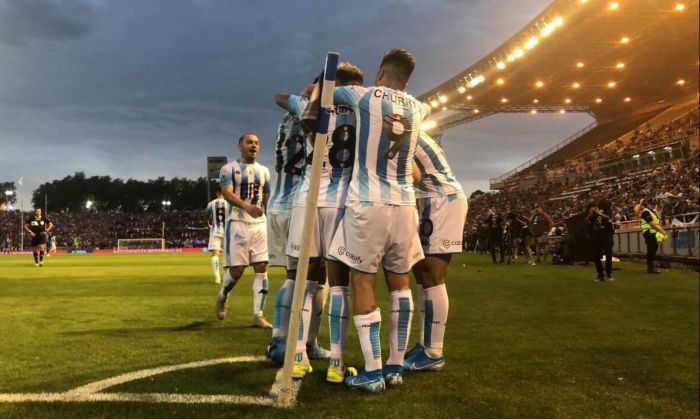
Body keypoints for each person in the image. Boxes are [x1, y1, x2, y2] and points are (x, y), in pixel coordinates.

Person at [318, 48, 431, 392]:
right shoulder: (421, 108)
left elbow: (323, 93)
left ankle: (372, 371)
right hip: (405, 204)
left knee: (362, 282)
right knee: (400, 285)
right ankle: (395, 367)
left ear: (381, 71)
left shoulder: (364, 95)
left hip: (368, 203)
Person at [271, 63, 365, 382]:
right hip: (342, 201)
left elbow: (280, 97)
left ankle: (297, 356)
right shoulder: (365, 110)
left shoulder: (313, 103)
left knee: (305, 283)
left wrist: (312, 94)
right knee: (339, 285)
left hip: (308, 199)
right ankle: (337, 365)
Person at [403, 133, 468, 372]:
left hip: (439, 199)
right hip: (430, 198)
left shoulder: (393, 127)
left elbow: (413, 175)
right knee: (421, 275)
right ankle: (425, 344)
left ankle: (433, 351)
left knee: (431, 275)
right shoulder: (399, 121)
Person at [265, 83, 311, 365]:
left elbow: (278, 95)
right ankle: (283, 340)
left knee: (296, 277)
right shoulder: (311, 118)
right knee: (302, 278)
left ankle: (283, 338)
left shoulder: (285, 123)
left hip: (276, 205)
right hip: (296, 204)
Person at [215, 132, 273, 328]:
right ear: (240, 146)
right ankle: (223, 295)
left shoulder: (264, 171)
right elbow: (227, 194)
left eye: (257, 142)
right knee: (237, 271)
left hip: (259, 225)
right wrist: (247, 207)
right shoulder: (228, 168)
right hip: (238, 224)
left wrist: (270, 216)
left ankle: (258, 315)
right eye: (249, 142)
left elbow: (267, 196)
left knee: (262, 267)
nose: (254, 145)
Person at [586, 204, 615, 282]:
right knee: (596, 255)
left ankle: (608, 274)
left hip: (606, 233)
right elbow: (586, 220)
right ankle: (600, 274)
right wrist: (590, 213)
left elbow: (608, 217)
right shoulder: (590, 207)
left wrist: (598, 213)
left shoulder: (605, 207)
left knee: (608, 253)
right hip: (595, 234)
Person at [205, 189, 229, 284]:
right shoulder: (229, 203)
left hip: (215, 231)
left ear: (217, 193)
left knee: (215, 254)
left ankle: (217, 278)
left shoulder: (211, 204)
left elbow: (207, 216)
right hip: (227, 232)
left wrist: (209, 224)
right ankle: (226, 277)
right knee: (227, 256)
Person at [639, 198, 667, 274]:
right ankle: (650, 268)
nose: (653, 205)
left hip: (652, 232)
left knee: (653, 249)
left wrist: (661, 230)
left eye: (654, 204)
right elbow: (651, 224)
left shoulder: (652, 212)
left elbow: (656, 223)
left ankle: (650, 268)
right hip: (649, 232)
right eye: (652, 204)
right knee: (651, 250)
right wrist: (661, 231)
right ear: (648, 204)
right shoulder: (646, 212)